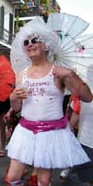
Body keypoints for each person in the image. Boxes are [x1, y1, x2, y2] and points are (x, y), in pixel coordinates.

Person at [5, 17, 93, 186]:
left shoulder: (59, 73)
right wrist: (13, 97)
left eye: (35, 40)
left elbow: (88, 97)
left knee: (43, 181)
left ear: (45, 44)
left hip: (51, 133)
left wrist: (71, 76)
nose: (30, 44)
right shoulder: (21, 75)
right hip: (25, 132)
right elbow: (16, 108)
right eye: (26, 42)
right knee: (13, 177)